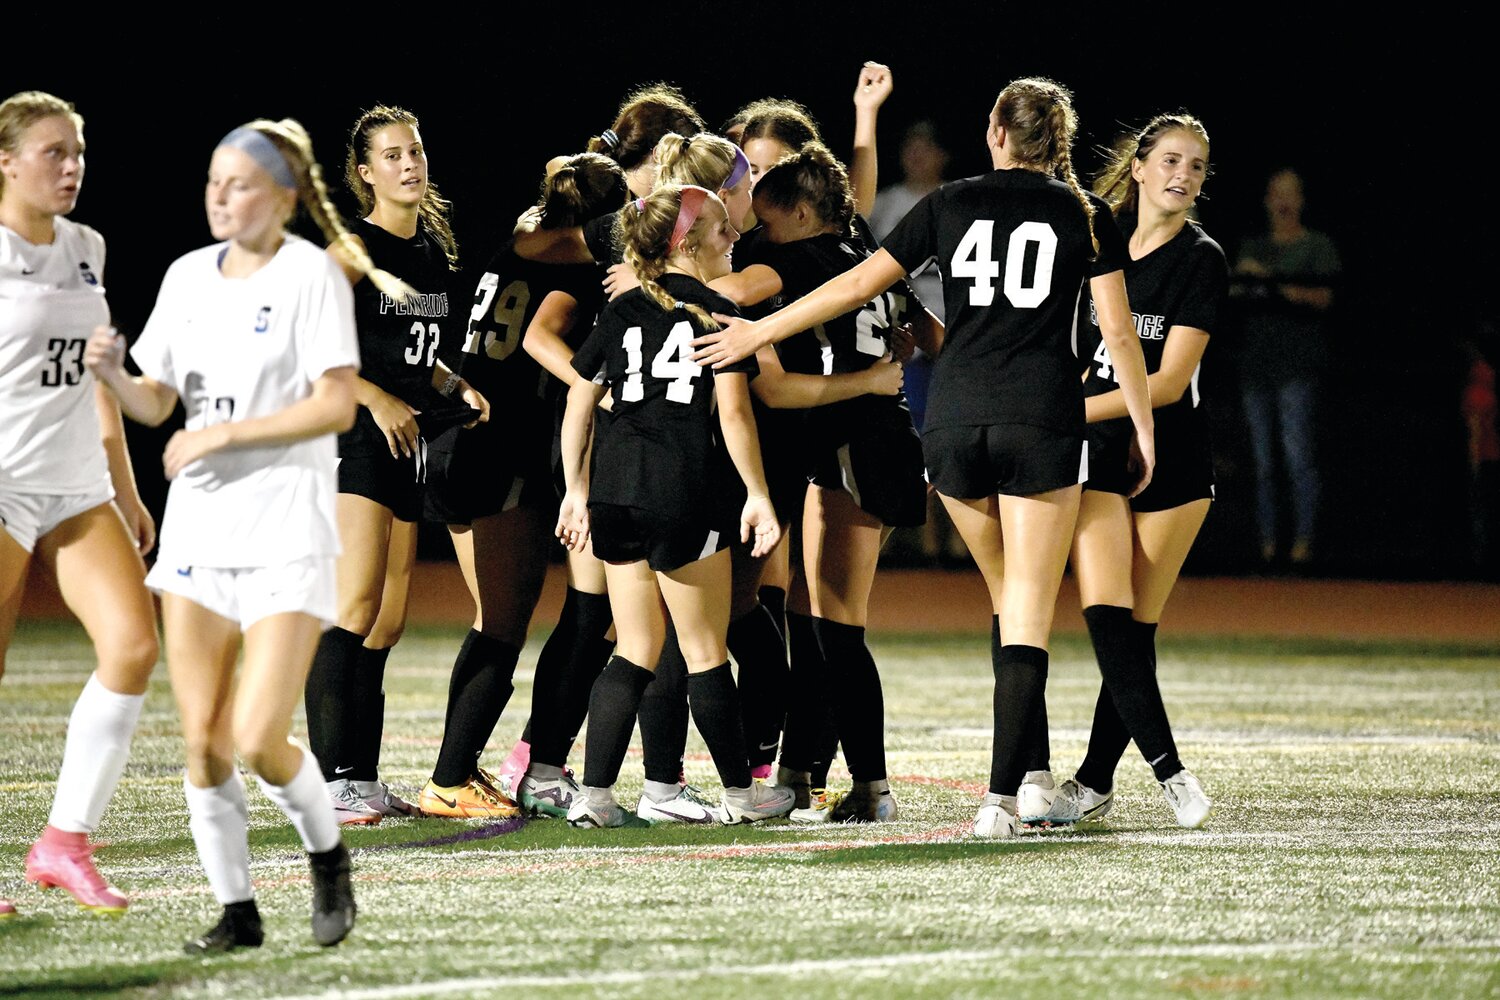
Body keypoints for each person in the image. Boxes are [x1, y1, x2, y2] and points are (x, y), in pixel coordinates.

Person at [693, 77, 1156, 840]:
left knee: (1010, 602)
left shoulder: (945, 203)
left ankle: (1029, 776)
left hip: (951, 427)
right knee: (1028, 615)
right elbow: (1120, 334)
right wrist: (1141, 426)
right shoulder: (1086, 212)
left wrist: (754, 334)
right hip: (1037, 420)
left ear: (994, 133)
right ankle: (1008, 796)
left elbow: (851, 282)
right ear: (1058, 141)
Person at [84, 117, 378, 952]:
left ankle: (327, 855)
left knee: (256, 737)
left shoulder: (311, 273)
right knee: (204, 742)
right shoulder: (185, 276)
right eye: (213, 180)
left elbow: (337, 403)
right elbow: (157, 401)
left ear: (282, 197)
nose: (220, 195)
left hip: (286, 527)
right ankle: (238, 910)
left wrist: (224, 435)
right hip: (199, 534)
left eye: (239, 182)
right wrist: (113, 375)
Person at [556, 184, 795, 828]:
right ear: (685, 242)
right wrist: (758, 494)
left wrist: (576, 491)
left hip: (615, 490)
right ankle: (745, 797)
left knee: (633, 646)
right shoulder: (715, 311)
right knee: (704, 649)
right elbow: (736, 414)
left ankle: (597, 797)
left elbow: (579, 401)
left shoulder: (621, 309)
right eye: (721, 229)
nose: (733, 238)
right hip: (683, 490)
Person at [734, 142, 938, 821]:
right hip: (868, 444)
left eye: (766, 221)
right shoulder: (865, 257)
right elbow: (934, 336)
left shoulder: (792, 258)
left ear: (797, 215)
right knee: (810, 620)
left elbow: (739, 292)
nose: (758, 234)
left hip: (855, 448)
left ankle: (873, 787)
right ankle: (795, 773)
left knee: (836, 629)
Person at [423, 151, 627, 819]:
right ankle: (449, 779)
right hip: (501, 442)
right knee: (502, 628)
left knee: (492, 623)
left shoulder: (517, 236)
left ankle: (457, 773)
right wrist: (594, 390)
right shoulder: (574, 262)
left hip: (461, 432)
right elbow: (543, 340)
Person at [303, 105, 489, 825]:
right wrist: (377, 398)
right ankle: (323, 785)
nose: (408, 164)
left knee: (387, 620)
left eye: (415, 151)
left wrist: (453, 386)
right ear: (363, 171)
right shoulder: (351, 250)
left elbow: (417, 353)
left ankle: (361, 776)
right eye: (391, 155)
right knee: (352, 608)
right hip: (355, 437)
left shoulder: (430, 253)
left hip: (407, 441)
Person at [1038, 113, 1224, 830]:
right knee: (1112, 624)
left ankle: (1092, 782)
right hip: (1102, 458)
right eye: (1171, 160)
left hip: (1173, 461)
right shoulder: (1097, 237)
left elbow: (1171, 382)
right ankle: (1166, 774)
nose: (1184, 175)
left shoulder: (1200, 259)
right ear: (1139, 166)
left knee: (1134, 632)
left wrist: (1062, 413)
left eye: (1198, 166)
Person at [1, 90, 160, 918]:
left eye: (79, 153)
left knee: (132, 646)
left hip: (74, 484)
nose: (71, 167)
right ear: (6, 161)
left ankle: (64, 842)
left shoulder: (87, 244)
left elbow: (96, 375)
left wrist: (126, 490)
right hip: (2, 481)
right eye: (53, 152)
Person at [868, 120, 966, 566]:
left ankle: (960, 540)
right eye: (912, 144)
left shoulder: (959, 200)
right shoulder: (887, 203)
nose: (918, 154)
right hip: (904, 337)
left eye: (928, 146)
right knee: (913, 436)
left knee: (954, 436)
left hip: (954, 337)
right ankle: (924, 543)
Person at [1231, 167, 1340, 568]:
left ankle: (1303, 544)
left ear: (1302, 199)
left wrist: (1272, 282)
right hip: (1255, 365)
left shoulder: (1316, 245)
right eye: (1276, 192)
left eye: (1291, 192)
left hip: (1297, 366)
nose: (1283, 200)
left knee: (1297, 456)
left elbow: (1324, 298)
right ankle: (1266, 545)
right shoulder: (1253, 246)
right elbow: (1233, 293)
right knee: (1262, 463)